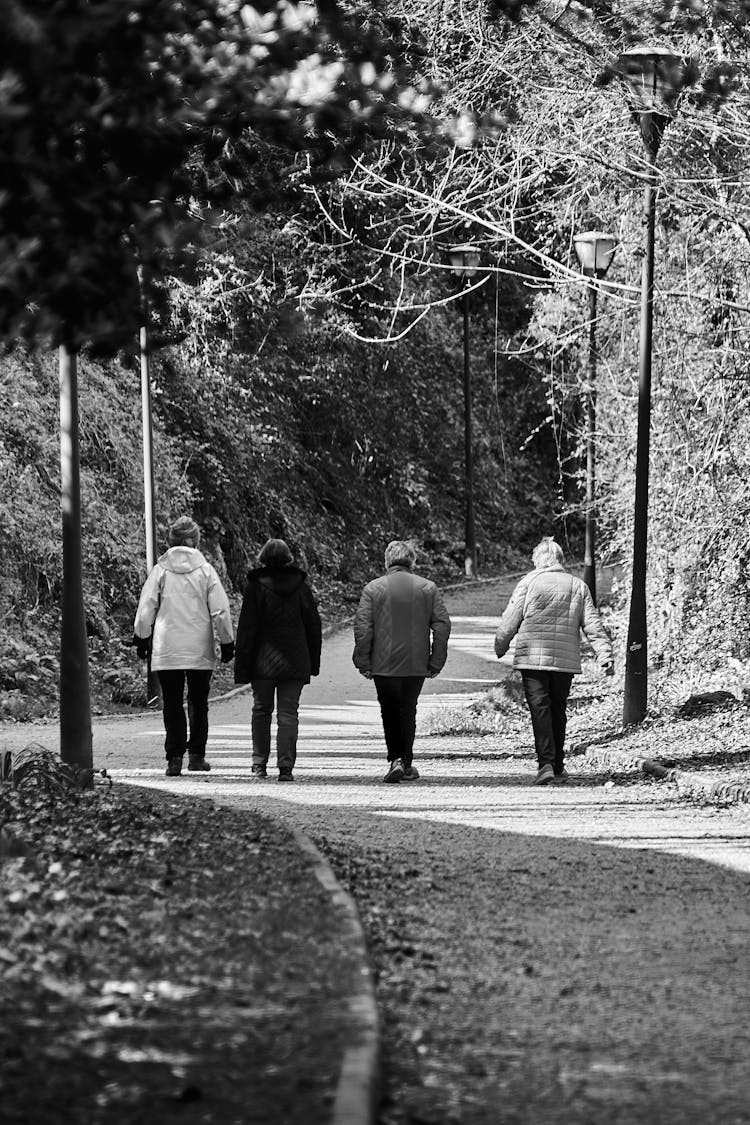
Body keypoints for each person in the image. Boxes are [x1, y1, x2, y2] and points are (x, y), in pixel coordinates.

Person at [494, 536, 613, 786]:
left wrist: (501, 645)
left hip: (532, 660)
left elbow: (511, 618)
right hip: (564, 662)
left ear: (538, 560)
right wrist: (604, 654)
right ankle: (557, 765)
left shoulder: (529, 582)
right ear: (559, 560)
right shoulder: (577, 585)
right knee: (558, 710)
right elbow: (592, 623)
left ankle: (546, 763)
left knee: (540, 710)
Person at [133, 516, 234, 777]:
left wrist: (142, 636)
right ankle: (197, 756)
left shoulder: (161, 571)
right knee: (199, 702)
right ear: (196, 541)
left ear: (171, 540)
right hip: (199, 646)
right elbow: (221, 611)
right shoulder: (205, 571)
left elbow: (146, 608)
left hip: (168, 646)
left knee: (173, 703)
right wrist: (227, 641)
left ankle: (174, 757)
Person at [353, 540, 451, 783]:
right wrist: (436, 660)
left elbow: (363, 628)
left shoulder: (373, 589)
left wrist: (362, 661)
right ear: (412, 561)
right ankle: (406, 763)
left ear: (387, 561)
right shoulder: (428, 588)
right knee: (408, 709)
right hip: (415, 663)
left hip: (383, 663)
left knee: (389, 710)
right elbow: (442, 625)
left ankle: (396, 759)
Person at [234, 538, 322, 782]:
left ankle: (259, 763)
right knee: (288, 714)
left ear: (263, 557)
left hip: (262, 662)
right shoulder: (301, 587)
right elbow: (314, 627)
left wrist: (242, 667)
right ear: (288, 558)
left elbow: (247, 629)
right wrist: (312, 663)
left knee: (261, 710)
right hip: (295, 661)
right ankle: (286, 767)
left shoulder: (255, 587)